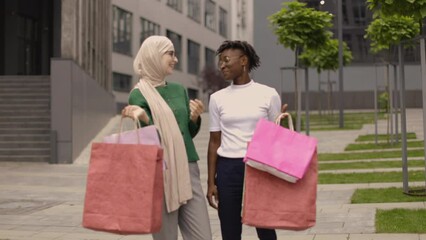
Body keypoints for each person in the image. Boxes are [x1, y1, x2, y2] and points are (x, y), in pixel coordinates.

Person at [121, 35, 212, 240]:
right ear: (153, 55)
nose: (175, 59)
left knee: (203, 236)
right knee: (166, 237)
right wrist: (143, 118)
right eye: (170, 54)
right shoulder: (138, 95)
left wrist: (195, 118)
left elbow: (187, 132)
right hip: (160, 172)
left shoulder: (179, 90)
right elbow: (147, 141)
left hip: (188, 168)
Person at [206, 40, 284, 240]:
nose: (221, 65)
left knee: (265, 227)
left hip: (258, 166)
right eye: (220, 62)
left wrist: (279, 123)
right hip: (227, 168)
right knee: (229, 229)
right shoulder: (217, 98)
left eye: (226, 60)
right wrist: (210, 182)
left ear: (243, 61)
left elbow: (274, 138)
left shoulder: (268, 94)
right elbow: (215, 141)